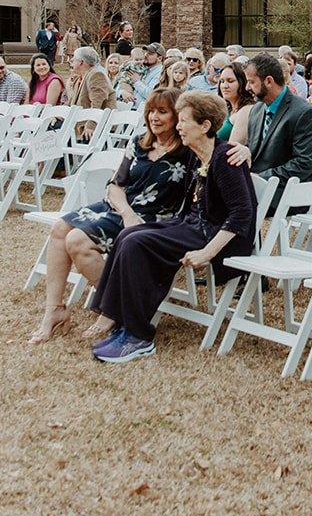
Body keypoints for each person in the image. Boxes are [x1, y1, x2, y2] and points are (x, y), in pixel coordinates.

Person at [87, 92, 258, 364]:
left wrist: (206, 253)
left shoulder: (226, 159)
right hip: (191, 224)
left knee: (136, 244)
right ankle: (122, 322)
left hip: (214, 235)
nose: (177, 126)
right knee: (128, 234)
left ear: (204, 126)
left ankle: (138, 338)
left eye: (183, 121)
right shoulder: (195, 153)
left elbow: (242, 215)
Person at [29, 89, 195, 344]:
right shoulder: (140, 142)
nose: (154, 117)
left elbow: (220, 152)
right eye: (151, 110)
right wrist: (126, 212)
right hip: (121, 208)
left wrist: (245, 152)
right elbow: (115, 184)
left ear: (178, 116)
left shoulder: (188, 149)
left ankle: (113, 308)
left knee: (76, 241)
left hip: (154, 218)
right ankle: (55, 310)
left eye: (163, 112)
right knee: (60, 228)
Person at [238, 52, 312, 204]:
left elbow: (304, 164)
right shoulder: (256, 110)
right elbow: (252, 149)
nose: (247, 87)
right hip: (257, 186)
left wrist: (261, 178)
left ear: (269, 81)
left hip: (289, 191)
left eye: (251, 82)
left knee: (230, 204)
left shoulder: (304, 113)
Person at [68, 46, 117, 138]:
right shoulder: (78, 78)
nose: (71, 62)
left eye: (73, 59)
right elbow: (69, 103)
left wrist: (91, 126)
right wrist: (55, 116)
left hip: (93, 127)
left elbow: (98, 102)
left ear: (80, 62)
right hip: (75, 124)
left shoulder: (96, 75)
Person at [216, 60, 254, 142]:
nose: (224, 86)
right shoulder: (227, 110)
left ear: (242, 83)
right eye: (222, 81)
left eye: (230, 81)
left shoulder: (246, 111)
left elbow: (233, 147)